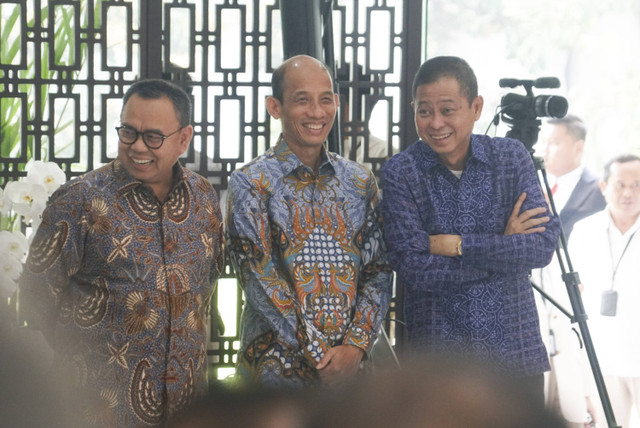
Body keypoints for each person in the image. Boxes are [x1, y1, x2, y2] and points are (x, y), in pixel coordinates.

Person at [19, 79, 224, 427]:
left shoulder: (203, 199)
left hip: (186, 410)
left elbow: (207, 285)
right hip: (97, 410)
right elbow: (36, 300)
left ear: (184, 138)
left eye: (153, 137)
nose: (137, 147)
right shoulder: (79, 201)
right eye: (128, 132)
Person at [380, 56, 560, 404]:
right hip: (437, 359)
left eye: (448, 110)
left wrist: (457, 245)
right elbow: (414, 267)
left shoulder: (510, 157)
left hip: (513, 352)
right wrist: (503, 247)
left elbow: (540, 246)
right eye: (424, 111)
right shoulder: (401, 172)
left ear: (476, 107)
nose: (436, 123)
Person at [225, 54, 393, 389]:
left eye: (325, 100)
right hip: (276, 368)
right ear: (275, 107)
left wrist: (356, 346)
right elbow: (261, 281)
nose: (316, 112)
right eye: (302, 100)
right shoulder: (250, 182)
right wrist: (321, 356)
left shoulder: (360, 182)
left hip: (351, 372)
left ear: (336, 104)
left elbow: (379, 269)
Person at [532, 114, 605, 427]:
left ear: (578, 147)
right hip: (540, 315)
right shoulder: (534, 187)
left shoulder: (600, 192)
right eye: (543, 141)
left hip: (582, 312)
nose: (545, 149)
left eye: (555, 141)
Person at [569, 154, 640, 428]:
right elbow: (574, 293)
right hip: (601, 356)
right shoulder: (584, 231)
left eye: (637, 185)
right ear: (603, 186)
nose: (628, 193)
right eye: (620, 184)